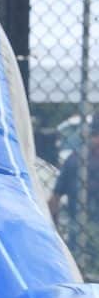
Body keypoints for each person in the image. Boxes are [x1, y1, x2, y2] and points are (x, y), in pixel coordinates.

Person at [49, 113, 99, 280]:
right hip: (81, 231)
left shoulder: (74, 158)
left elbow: (54, 199)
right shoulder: (76, 160)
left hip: (78, 232)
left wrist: (55, 233)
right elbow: (54, 199)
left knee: (78, 277)